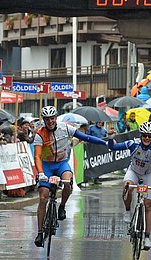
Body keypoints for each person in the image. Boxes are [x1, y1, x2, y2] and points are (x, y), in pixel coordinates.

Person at [33, 106, 108, 248]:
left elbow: (86, 137)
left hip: (61, 164)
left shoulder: (66, 128)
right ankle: (40, 232)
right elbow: (37, 156)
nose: (50, 121)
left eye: (52, 118)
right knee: (43, 198)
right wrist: (41, 174)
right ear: (44, 120)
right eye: (47, 119)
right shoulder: (39, 134)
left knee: (67, 181)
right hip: (47, 165)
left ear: (56, 118)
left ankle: (62, 207)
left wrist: (104, 142)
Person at [107, 121, 151, 251]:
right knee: (127, 186)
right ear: (141, 135)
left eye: (150, 136)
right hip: (133, 171)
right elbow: (113, 147)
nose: (147, 138)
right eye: (145, 135)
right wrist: (111, 139)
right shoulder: (133, 144)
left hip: (148, 175)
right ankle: (127, 210)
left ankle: (147, 237)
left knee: (148, 206)